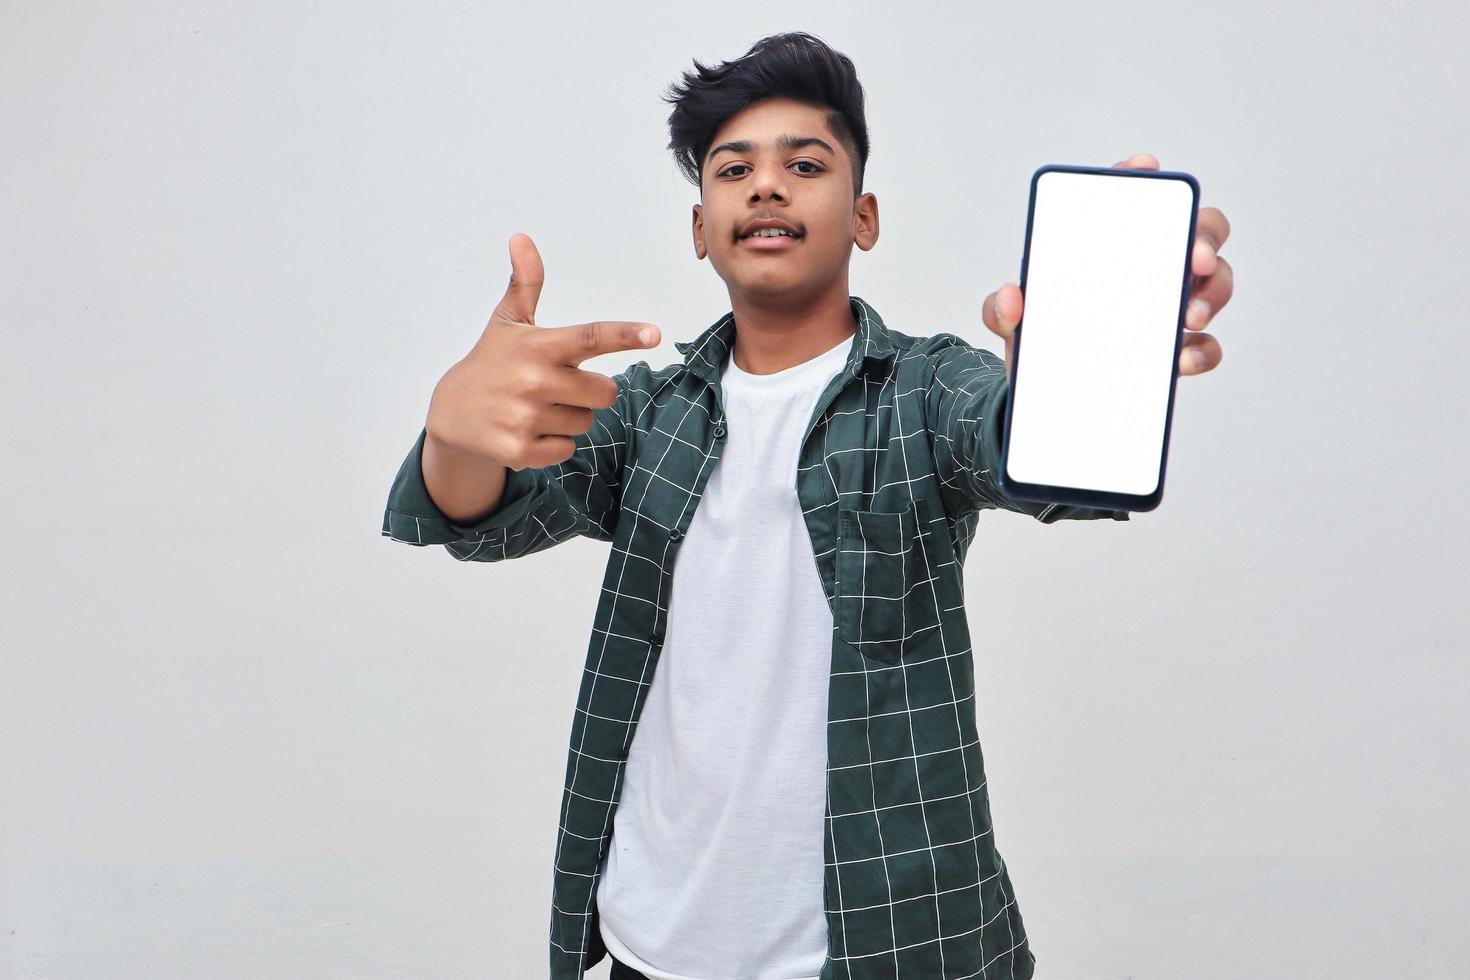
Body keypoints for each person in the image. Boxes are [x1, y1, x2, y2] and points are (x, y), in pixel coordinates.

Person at [381, 30, 1232, 980]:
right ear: (700, 228)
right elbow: (481, 514)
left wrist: (1089, 364)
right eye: (733, 167)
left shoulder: (924, 387)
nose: (767, 186)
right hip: (650, 943)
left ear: (864, 217)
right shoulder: (645, 412)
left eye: (806, 164)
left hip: (887, 947)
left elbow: (1015, 446)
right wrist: (454, 435)